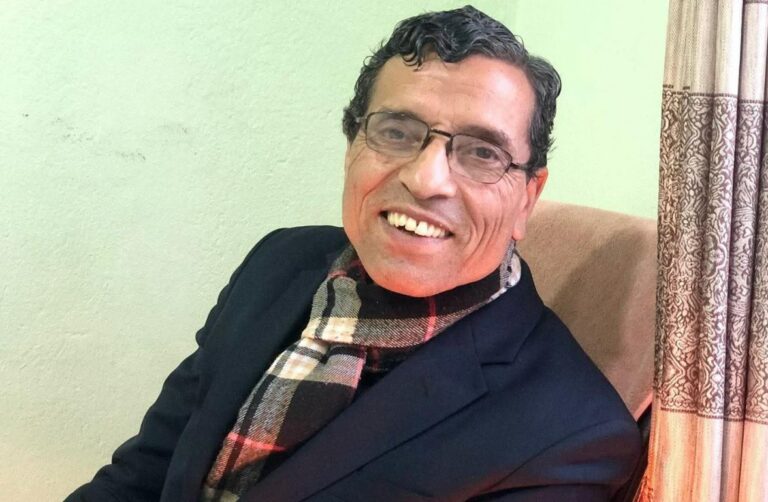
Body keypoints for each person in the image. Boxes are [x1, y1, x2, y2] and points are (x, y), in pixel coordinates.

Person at [67, 5, 641, 501]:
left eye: (482, 153)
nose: (426, 179)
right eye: (397, 132)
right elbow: (142, 476)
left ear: (527, 200)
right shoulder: (277, 263)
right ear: (351, 148)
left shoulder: (571, 437)